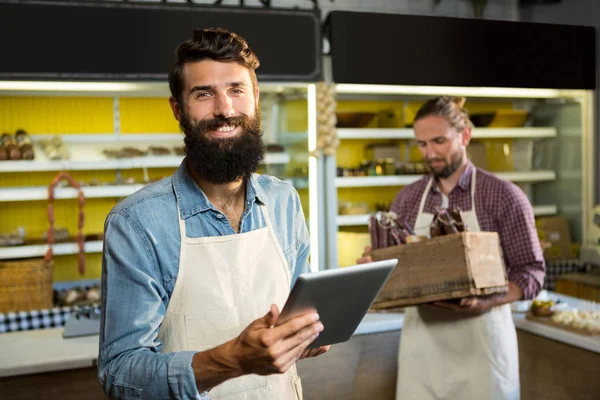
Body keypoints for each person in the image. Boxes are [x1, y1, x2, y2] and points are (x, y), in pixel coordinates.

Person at [98, 27, 329, 399]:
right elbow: (121, 373)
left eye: (237, 90)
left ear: (255, 97)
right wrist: (233, 360)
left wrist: (308, 334)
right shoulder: (137, 224)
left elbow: (298, 314)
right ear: (178, 109)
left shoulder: (285, 201)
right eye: (204, 94)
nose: (225, 110)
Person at [358, 96, 545, 400]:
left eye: (439, 141)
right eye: (421, 144)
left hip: (484, 351)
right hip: (422, 353)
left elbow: (532, 273)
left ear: (466, 135)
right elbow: (397, 274)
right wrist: (375, 267)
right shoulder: (407, 199)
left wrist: (486, 300)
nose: (430, 153)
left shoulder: (503, 196)